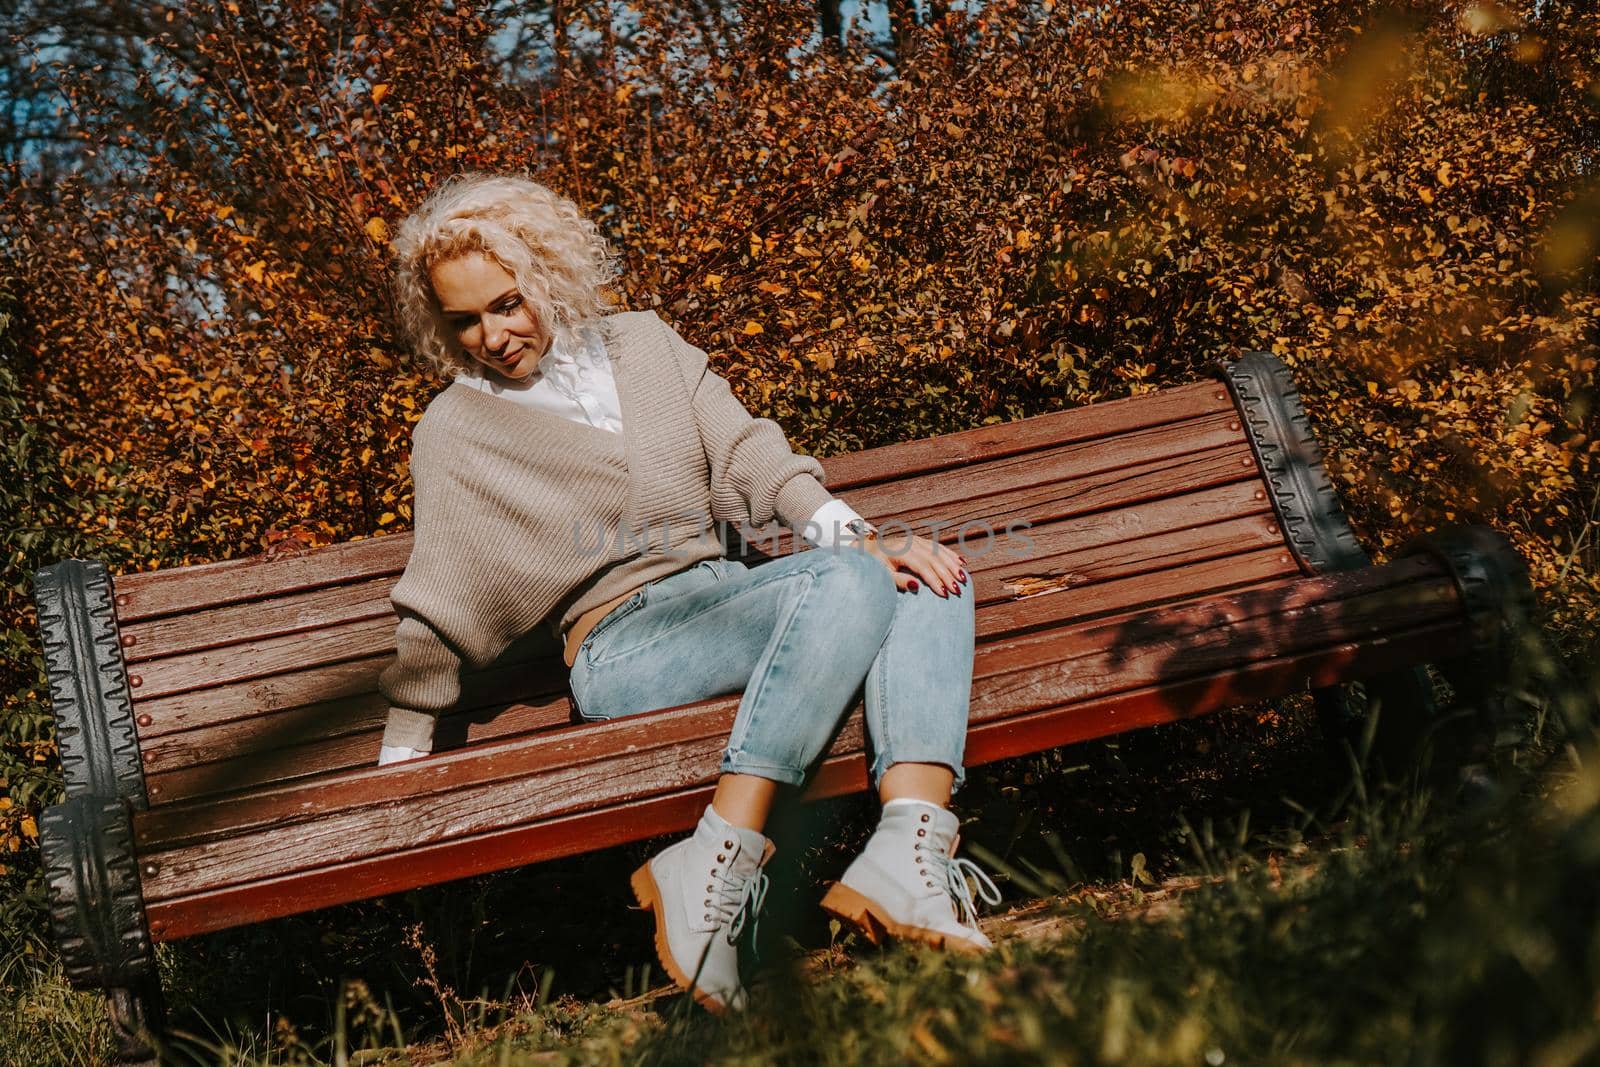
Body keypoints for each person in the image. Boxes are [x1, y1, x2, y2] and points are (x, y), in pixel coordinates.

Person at [374, 172, 998, 1012]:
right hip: (622, 647)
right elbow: (439, 601)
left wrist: (864, 535)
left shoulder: (644, 345)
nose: (493, 334)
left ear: (548, 273)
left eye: (508, 303)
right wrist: (401, 754)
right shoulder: (456, 427)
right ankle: (720, 851)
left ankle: (907, 857)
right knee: (856, 574)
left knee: (930, 574)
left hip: (733, 601)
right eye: (465, 321)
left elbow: (751, 456)